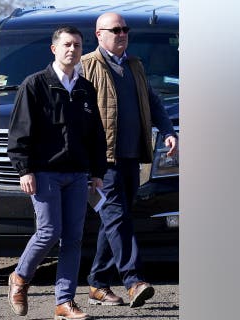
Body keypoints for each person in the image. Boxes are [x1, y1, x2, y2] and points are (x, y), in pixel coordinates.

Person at [79, 12, 179, 308]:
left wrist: (169, 131)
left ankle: (97, 283)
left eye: (125, 29)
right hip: (101, 160)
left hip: (131, 157)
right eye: (116, 30)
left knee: (115, 221)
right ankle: (134, 280)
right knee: (116, 217)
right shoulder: (86, 66)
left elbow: (153, 101)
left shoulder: (134, 65)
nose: (122, 34)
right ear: (99, 34)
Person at [6, 25, 107, 320]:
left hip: (77, 174)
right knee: (50, 231)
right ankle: (20, 277)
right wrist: (24, 169)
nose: (72, 50)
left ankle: (64, 303)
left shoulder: (86, 89)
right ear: (54, 49)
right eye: (66, 44)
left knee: (74, 238)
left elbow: (95, 135)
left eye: (77, 45)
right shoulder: (34, 85)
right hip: (44, 172)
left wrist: (97, 171)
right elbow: (20, 132)